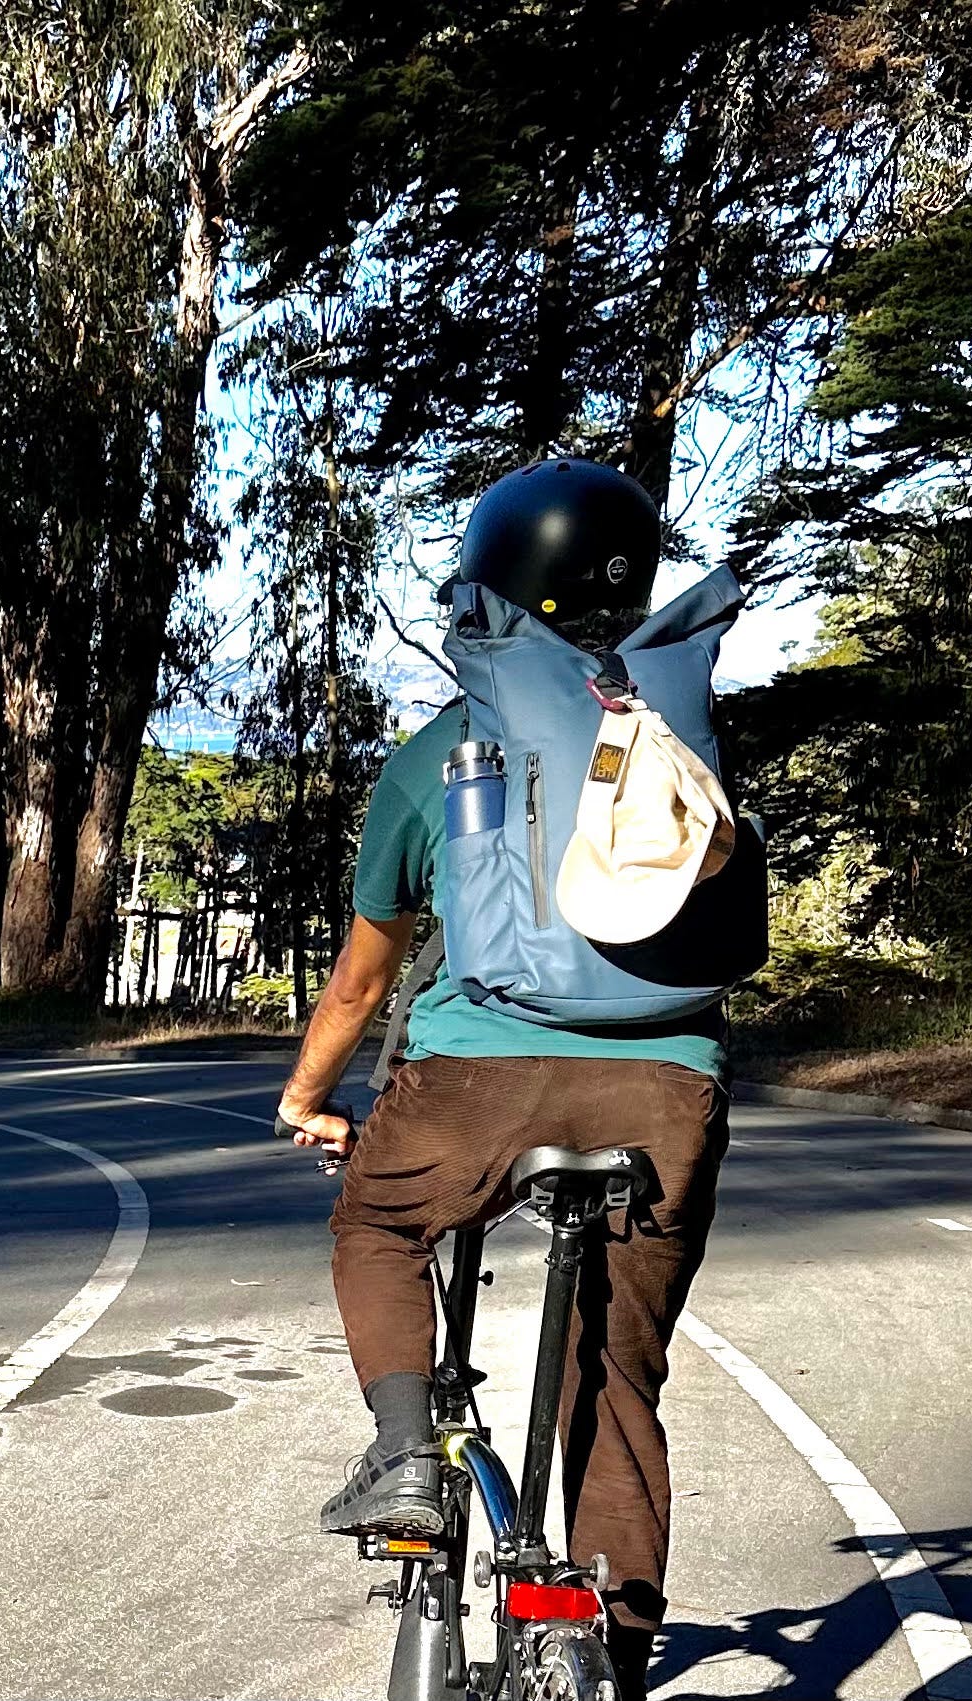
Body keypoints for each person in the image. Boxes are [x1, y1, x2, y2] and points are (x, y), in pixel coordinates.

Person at [276, 458, 732, 1695]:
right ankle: (615, 1658)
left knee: (377, 1220)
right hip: (670, 1095)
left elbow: (362, 983)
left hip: (476, 1086)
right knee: (615, 1376)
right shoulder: (678, 740)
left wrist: (308, 1098)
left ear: (495, 580)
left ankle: (405, 1452)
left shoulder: (439, 754)